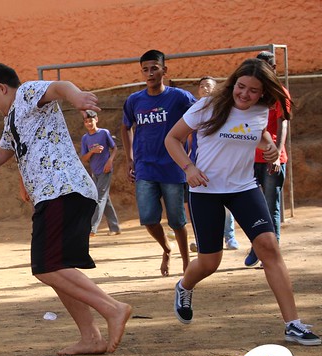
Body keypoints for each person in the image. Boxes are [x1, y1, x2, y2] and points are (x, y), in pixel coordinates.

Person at [0, 63, 132, 356]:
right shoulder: (11, 122)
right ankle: (91, 337)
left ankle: (113, 309)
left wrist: (78, 98)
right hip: (53, 195)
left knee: (46, 266)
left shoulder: (27, 92)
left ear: (3, 88)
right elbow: (0, 153)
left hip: (63, 189)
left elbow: (60, 87)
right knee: (56, 267)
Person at [164, 58, 320, 346]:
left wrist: (269, 145)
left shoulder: (263, 109)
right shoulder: (207, 106)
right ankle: (185, 286)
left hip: (244, 188)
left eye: (253, 90)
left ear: (263, 93)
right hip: (206, 190)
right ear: (234, 83)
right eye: (241, 86)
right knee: (210, 262)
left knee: (269, 248)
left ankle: (293, 324)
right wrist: (189, 168)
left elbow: (257, 131)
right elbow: (172, 139)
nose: (245, 94)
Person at [121, 50, 196, 276]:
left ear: (165, 69)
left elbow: (198, 120)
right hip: (145, 169)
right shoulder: (134, 100)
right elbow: (125, 127)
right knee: (149, 220)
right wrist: (129, 159)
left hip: (173, 169)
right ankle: (166, 248)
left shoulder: (180, 97)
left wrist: (191, 155)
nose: (150, 73)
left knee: (177, 221)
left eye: (154, 68)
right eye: (145, 69)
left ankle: (186, 263)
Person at [245, 51, 291, 267]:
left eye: (266, 67)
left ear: (273, 68)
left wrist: (277, 153)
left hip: (272, 157)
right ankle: (257, 246)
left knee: (271, 205)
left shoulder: (279, 93)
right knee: (252, 205)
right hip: (250, 157)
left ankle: (272, 251)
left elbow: (283, 123)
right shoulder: (251, 94)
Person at [189, 77, 239, 252]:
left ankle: (229, 236)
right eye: (201, 86)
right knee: (202, 203)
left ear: (216, 89)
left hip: (220, 163)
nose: (204, 89)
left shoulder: (222, 108)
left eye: (208, 86)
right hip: (199, 164)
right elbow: (188, 136)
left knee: (225, 201)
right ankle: (202, 239)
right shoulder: (195, 109)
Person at [80, 110, 121, 237]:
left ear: (96, 119)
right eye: (86, 121)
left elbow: (114, 148)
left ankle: (92, 228)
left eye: (91, 120)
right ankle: (115, 228)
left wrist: (110, 161)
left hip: (106, 170)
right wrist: (92, 151)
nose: (89, 123)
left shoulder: (104, 133)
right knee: (105, 199)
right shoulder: (85, 138)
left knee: (99, 198)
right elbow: (84, 158)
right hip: (94, 172)